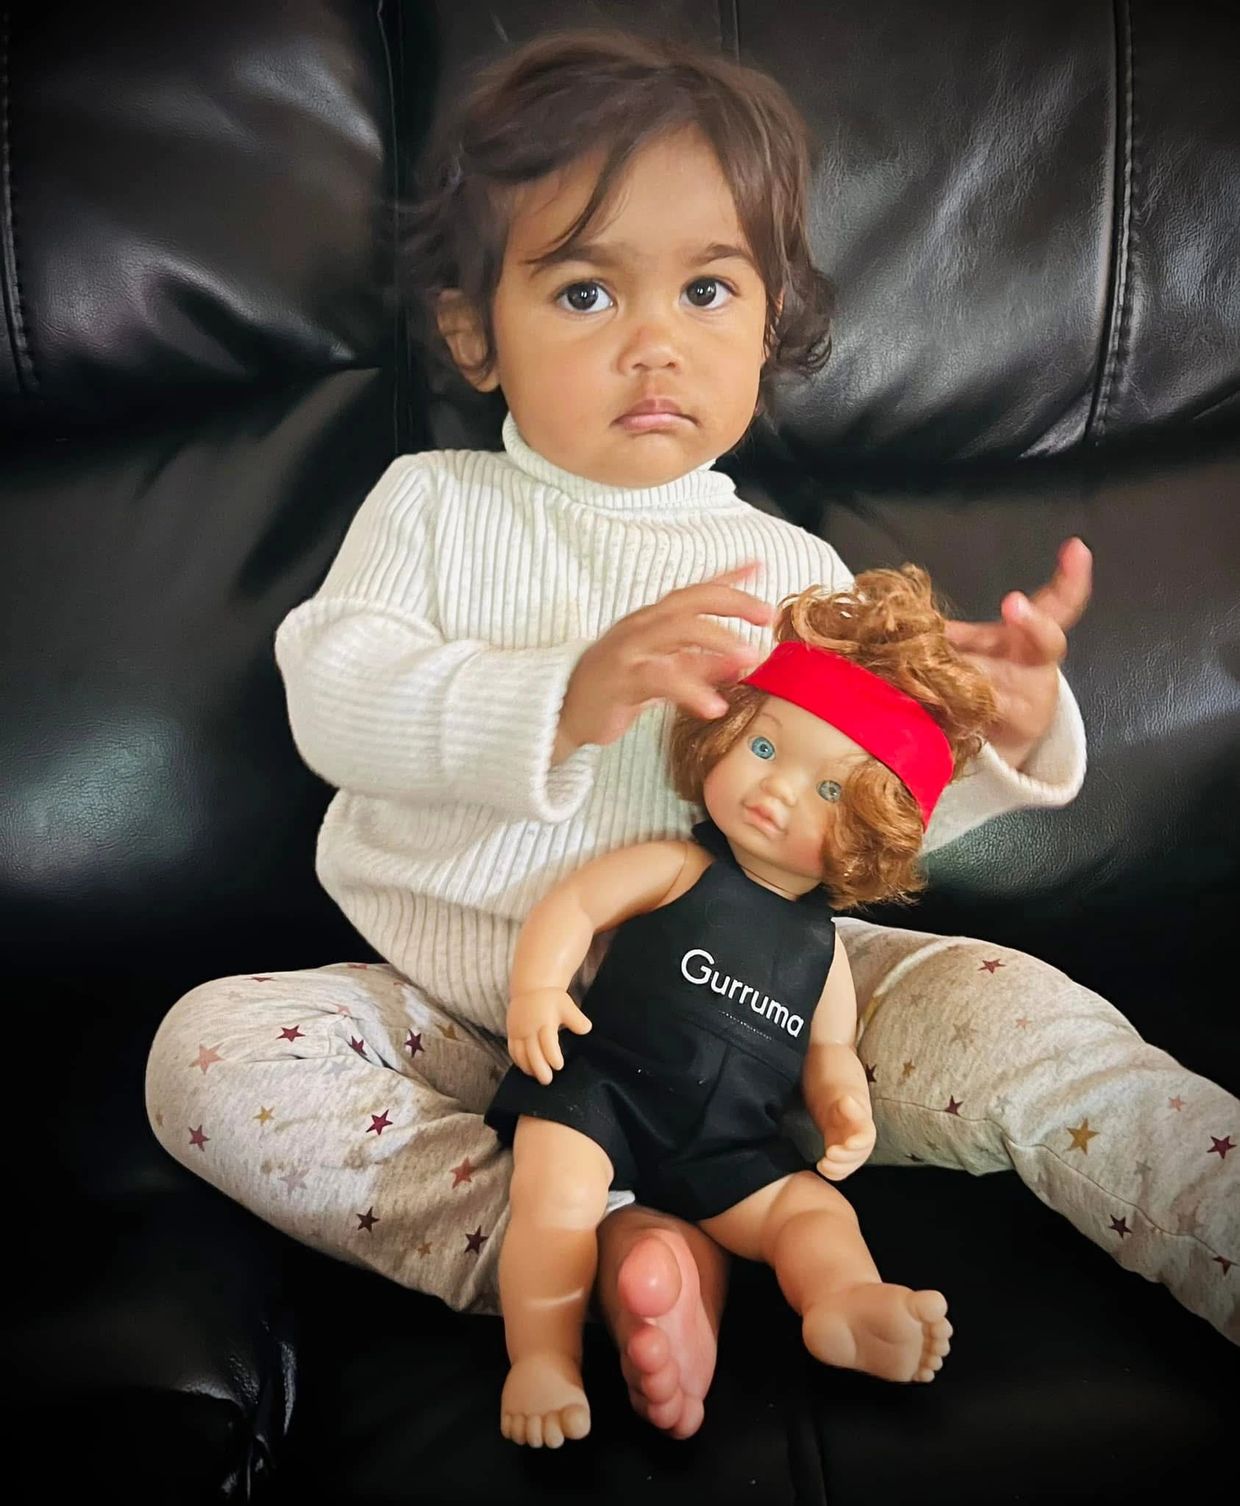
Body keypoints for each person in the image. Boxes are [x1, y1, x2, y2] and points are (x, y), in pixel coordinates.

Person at [145, 28, 1239, 1448]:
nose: (654, 341)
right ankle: (583, 1242)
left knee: (1025, 1012)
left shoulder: (794, 574)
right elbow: (333, 693)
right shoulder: (432, 505)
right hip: (481, 1022)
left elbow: (862, 834)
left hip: (769, 1017)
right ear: (474, 332)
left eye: (707, 289)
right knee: (207, 1054)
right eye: (586, 290)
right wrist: (566, 694)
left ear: (767, 322)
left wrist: (996, 735)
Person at [486, 569, 993, 1445]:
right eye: (763, 747)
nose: (777, 791)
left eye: (830, 792)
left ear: (872, 835)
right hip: (605, 1094)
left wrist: (844, 1109)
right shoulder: (679, 868)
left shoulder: (822, 949)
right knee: (554, 1195)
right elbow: (571, 907)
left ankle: (842, 1300)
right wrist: (538, 991)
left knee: (813, 1212)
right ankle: (543, 1358)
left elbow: (830, 1053)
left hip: (727, 1146)